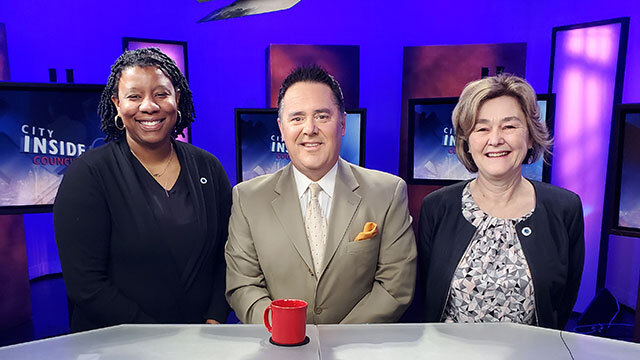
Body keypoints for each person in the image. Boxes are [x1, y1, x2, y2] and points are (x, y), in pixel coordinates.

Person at [54, 48, 231, 332]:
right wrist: (158, 338)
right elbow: (86, 285)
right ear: (117, 103)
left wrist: (214, 317)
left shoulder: (208, 168)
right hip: (118, 344)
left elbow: (228, 253)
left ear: (178, 99)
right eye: (134, 96)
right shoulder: (87, 176)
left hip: (200, 339)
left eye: (161, 94)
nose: (149, 106)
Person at [225, 65, 416, 324]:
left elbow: (395, 286)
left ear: (343, 122)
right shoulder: (247, 198)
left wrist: (336, 341)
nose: (310, 128)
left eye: (322, 116)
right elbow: (243, 285)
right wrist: (288, 333)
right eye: (297, 118)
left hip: (357, 349)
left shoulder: (388, 192)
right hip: (278, 349)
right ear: (281, 128)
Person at [415, 74, 585, 330]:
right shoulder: (436, 207)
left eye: (509, 126)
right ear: (467, 142)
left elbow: (562, 304)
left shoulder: (565, 208)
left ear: (530, 137)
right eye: (482, 128)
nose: (495, 139)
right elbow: (423, 297)